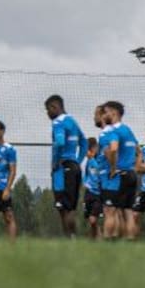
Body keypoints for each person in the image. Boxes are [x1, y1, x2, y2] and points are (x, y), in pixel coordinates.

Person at [45, 95, 84, 238]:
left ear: (55, 107)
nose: (47, 113)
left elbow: (60, 142)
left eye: (48, 109)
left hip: (62, 170)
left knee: (64, 208)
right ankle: (72, 239)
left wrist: (56, 162)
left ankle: (69, 239)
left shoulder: (58, 122)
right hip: (74, 168)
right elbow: (84, 143)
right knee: (70, 208)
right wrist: (77, 161)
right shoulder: (72, 121)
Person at [99, 101, 138, 240]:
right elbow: (138, 151)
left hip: (119, 175)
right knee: (128, 211)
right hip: (131, 174)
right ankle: (130, 241)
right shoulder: (128, 130)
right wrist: (135, 166)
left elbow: (113, 149)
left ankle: (108, 242)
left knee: (110, 210)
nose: (104, 115)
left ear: (114, 112)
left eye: (106, 112)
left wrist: (113, 168)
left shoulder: (113, 131)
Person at [82, 137, 104, 240]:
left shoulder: (100, 160)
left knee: (93, 219)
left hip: (98, 194)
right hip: (88, 193)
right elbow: (86, 174)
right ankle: (94, 240)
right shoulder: (87, 162)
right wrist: (85, 183)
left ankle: (99, 237)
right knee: (90, 220)